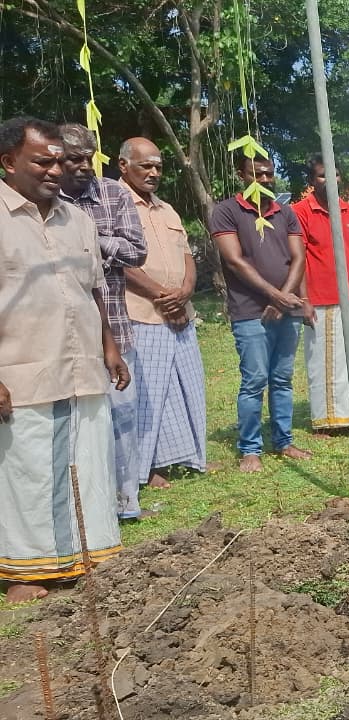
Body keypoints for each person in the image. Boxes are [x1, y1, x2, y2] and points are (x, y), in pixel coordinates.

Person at [0, 117, 128, 602]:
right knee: (28, 470)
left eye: (59, 160)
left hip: (83, 365)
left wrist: (109, 347)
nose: (55, 169)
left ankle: (90, 555)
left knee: (89, 462)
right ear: (9, 162)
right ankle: (26, 571)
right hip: (22, 369)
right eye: (42, 160)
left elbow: (93, 290)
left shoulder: (79, 219)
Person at [57, 123, 149, 519]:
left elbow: (137, 251)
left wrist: (92, 239)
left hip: (114, 326)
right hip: (63, 335)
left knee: (122, 416)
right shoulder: (44, 198)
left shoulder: (113, 192)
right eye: (73, 159)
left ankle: (126, 502)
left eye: (88, 158)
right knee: (77, 423)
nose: (82, 166)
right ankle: (85, 506)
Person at [211, 153, 312, 472]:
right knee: (254, 380)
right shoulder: (226, 211)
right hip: (250, 312)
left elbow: (298, 258)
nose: (266, 180)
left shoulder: (285, 212)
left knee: (282, 379)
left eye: (269, 174)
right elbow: (234, 261)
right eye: (257, 174)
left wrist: (283, 299)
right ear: (242, 175)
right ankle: (250, 449)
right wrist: (274, 296)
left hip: (286, 311)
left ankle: (284, 441)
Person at [118, 137, 208, 495]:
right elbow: (120, 263)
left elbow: (187, 255)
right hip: (143, 314)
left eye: (158, 166)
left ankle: (188, 455)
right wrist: (162, 297)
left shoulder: (167, 210)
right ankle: (147, 467)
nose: (153, 172)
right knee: (148, 393)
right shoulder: (116, 205)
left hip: (180, 314)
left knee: (186, 385)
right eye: (146, 166)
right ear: (124, 166)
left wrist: (185, 292)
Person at [294, 153, 349, 431]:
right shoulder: (300, 213)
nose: (330, 180)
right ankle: (328, 422)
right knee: (326, 363)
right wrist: (304, 300)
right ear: (311, 180)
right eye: (322, 175)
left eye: (335, 174)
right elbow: (296, 259)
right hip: (321, 300)